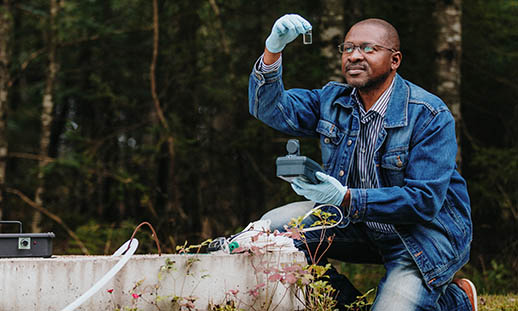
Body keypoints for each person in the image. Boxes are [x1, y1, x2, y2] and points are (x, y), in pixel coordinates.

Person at [248, 14, 477, 311]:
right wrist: (272, 51)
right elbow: (271, 110)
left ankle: (456, 301)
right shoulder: (333, 101)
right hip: (359, 225)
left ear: (394, 60)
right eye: (348, 48)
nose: (354, 56)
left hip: (422, 238)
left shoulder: (429, 114)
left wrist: (345, 197)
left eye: (369, 49)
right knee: (272, 233)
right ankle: (351, 305)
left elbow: (424, 201)